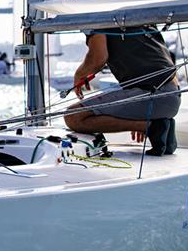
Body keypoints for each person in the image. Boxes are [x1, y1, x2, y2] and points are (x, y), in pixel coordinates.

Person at [64, 26, 181, 156]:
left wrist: (79, 75)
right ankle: (157, 126)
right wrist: (136, 114)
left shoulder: (98, 16)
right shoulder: (140, 18)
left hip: (152, 94)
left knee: (73, 116)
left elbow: (98, 58)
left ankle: (150, 127)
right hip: (172, 95)